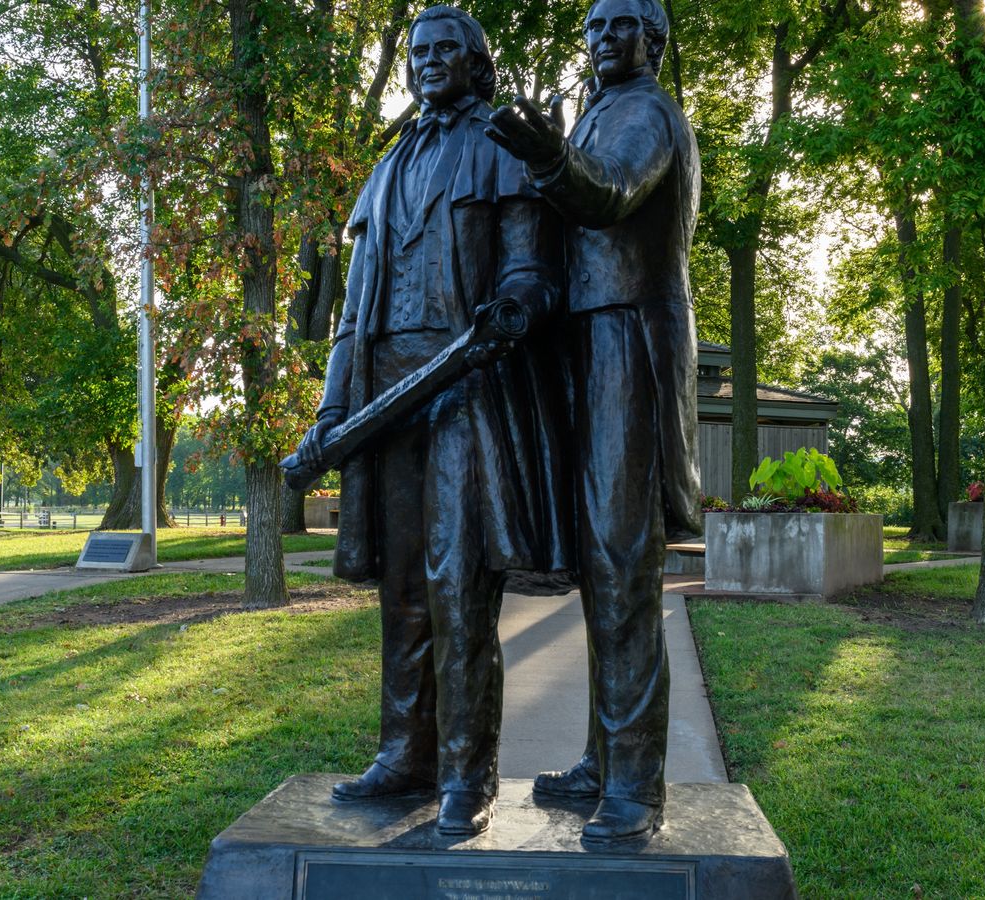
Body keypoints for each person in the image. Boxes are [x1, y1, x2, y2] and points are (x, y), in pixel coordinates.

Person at [292, 4, 572, 837]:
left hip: (467, 388)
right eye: (419, 51)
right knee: (404, 589)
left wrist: (513, 308)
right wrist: (334, 405)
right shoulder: (384, 170)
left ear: (479, 66)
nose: (429, 61)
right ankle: (404, 754)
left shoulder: (501, 151)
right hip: (383, 394)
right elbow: (350, 313)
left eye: (448, 49)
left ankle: (464, 773)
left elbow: (535, 270)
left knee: (459, 586)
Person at [485, 0, 702, 845]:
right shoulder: (605, 108)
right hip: (589, 338)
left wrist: (546, 156)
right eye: (592, 26)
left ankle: (636, 788)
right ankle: (603, 759)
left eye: (619, 25)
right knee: (599, 567)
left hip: (629, 339)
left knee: (622, 567)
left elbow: (607, 196)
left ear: (653, 37)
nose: (600, 39)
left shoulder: (648, 110)